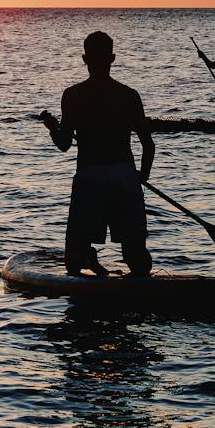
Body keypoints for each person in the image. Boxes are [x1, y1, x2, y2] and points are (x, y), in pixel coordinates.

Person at [40, 31, 155, 277]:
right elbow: (148, 144)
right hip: (124, 176)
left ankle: (86, 258)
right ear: (112, 58)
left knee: (73, 263)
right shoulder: (129, 95)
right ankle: (135, 284)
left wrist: (52, 128)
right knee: (137, 257)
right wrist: (141, 178)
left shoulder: (73, 95)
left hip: (90, 177)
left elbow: (64, 145)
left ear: (84, 59)